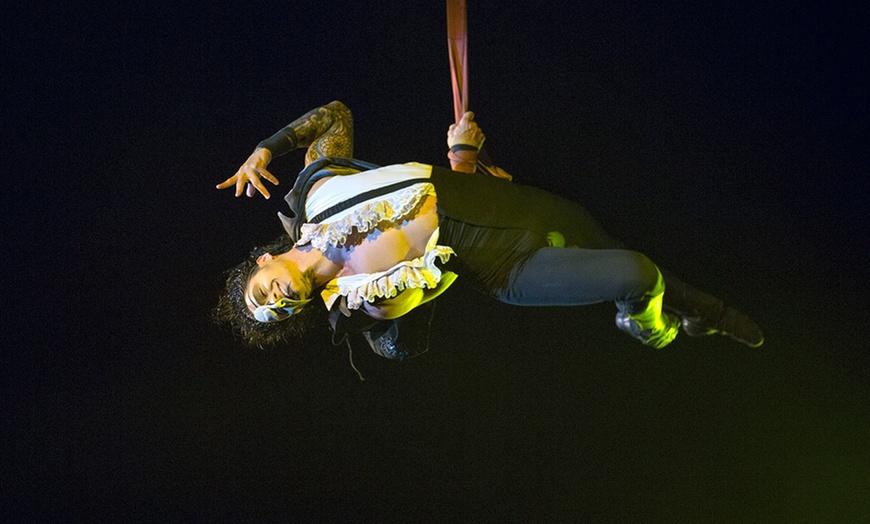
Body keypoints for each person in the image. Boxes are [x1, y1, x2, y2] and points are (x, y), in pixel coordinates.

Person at [215, 100, 763, 358]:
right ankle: (651, 326)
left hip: (515, 205)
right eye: (278, 312)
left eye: (263, 293)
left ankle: (705, 316)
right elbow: (439, 271)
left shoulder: (316, 190)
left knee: (628, 256)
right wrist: (390, 324)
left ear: (265, 262)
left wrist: (265, 148)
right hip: (508, 265)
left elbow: (335, 115)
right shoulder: (360, 303)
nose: (279, 301)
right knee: (635, 273)